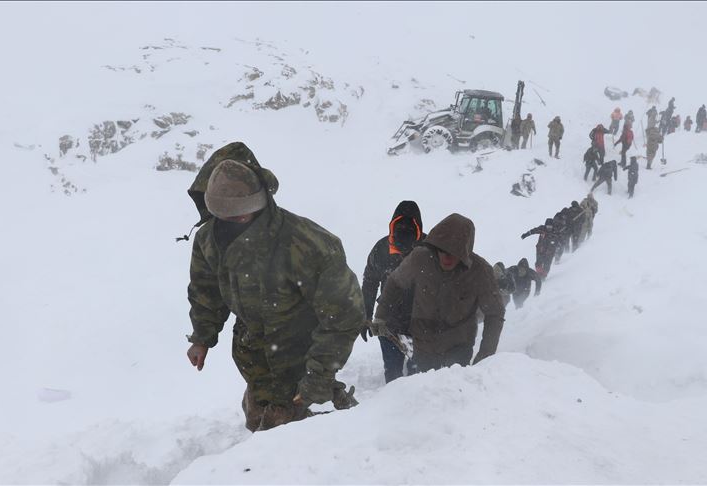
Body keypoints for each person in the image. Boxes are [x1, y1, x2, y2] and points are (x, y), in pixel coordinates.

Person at [184, 142, 365, 432]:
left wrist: (318, 379)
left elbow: (343, 317)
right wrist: (202, 337)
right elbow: (206, 291)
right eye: (224, 216)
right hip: (254, 362)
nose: (233, 223)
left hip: (304, 363)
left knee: (308, 444)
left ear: (259, 202)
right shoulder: (209, 240)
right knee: (260, 426)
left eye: (241, 215)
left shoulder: (309, 245)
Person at [372, 214, 505, 373]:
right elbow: (395, 283)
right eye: (442, 250)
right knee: (427, 391)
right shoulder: (420, 258)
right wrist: (381, 316)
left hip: (459, 348)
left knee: (454, 391)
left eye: (453, 252)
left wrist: (485, 355)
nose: (446, 257)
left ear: (464, 251)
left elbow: (495, 313)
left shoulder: (480, 271)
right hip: (423, 344)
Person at [361, 201, 425, 383]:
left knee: (419, 376)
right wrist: (366, 315)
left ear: (418, 229)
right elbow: (370, 282)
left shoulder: (430, 249)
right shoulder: (381, 250)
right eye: (400, 226)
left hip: (421, 325)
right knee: (393, 374)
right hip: (389, 323)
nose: (403, 231)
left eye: (409, 227)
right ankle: (392, 405)